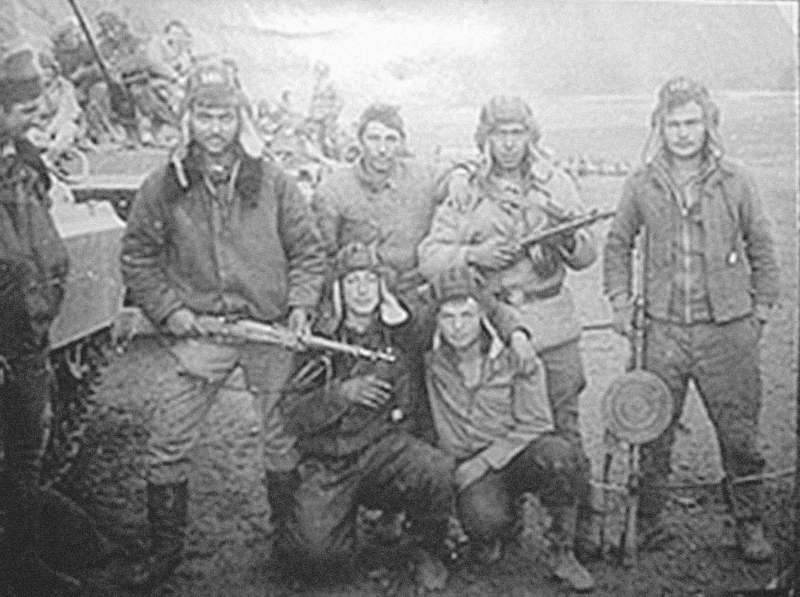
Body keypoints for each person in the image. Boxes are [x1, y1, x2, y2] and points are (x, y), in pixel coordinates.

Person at [119, 57, 327, 588]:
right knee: (168, 438)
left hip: (268, 330)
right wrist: (171, 311)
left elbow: (308, 252)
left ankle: (288, 545)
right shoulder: (164, 184)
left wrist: (300, 306)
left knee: (279, 438)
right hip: (202, 332)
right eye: (205, 116)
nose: (215, 129)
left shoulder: (273, 181)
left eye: (225, 117)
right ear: (188, 118)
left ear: (241, 119)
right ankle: (165, 553)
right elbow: (138, 256)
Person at [603, 76, 780, 561]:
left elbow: (762, 246)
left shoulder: (736, 180)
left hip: (727, 331)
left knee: (739, 435)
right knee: (652, 431)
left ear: (708, 125)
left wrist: (759, 312)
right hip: (662, 331)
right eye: (673, 124)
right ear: (659, 127)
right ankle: (649, 522)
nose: (683, 133)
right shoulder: (641, 182)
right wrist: (620, 301)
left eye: (692, 123)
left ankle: (749, 522)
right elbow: (618, 244)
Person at [418, 95, 602, 559]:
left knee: (563, 428)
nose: (508, 143)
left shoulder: (556, 182)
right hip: (496, 328)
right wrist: (473, 255)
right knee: (499, 423)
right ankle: (505, 515)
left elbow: (587, 253)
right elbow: (430, 256)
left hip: (552, 324)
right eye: (499, 133)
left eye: (517, 133)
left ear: (530, 135)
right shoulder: (467, 188)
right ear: (485, 137)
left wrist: (566, 238)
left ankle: (576, 528)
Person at [275, 242, 465, 589]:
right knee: (316, 557)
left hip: (385, 450)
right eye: (352, 282)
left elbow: (449, 314)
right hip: (332, 460)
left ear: (382, 287)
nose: (362, 291)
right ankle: (341, 529)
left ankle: (425, 548)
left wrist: (400, 317)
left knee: (435, 470)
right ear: (339, 290)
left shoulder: (402, 330)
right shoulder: (320, 340)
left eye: (370, 281)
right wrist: (341, 394)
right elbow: (291, 414)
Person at [424, 265, 595, 592]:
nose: (458, 327)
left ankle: (562, 551)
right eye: (448, 317)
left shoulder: (517, 356)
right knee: (483, 520)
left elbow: (537, 422)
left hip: (515, 454)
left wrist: (484, 462)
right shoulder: (429, 359)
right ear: (437, 321)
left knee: (559, 455)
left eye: (467, 315)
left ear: (483, 316)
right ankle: (497, 529)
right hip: (471, 467)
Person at [0, 44, 78, 595]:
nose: (36, 115)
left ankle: (20, 559)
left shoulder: (25, 165)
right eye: (24, 108)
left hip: (28, 334)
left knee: (26, 452)